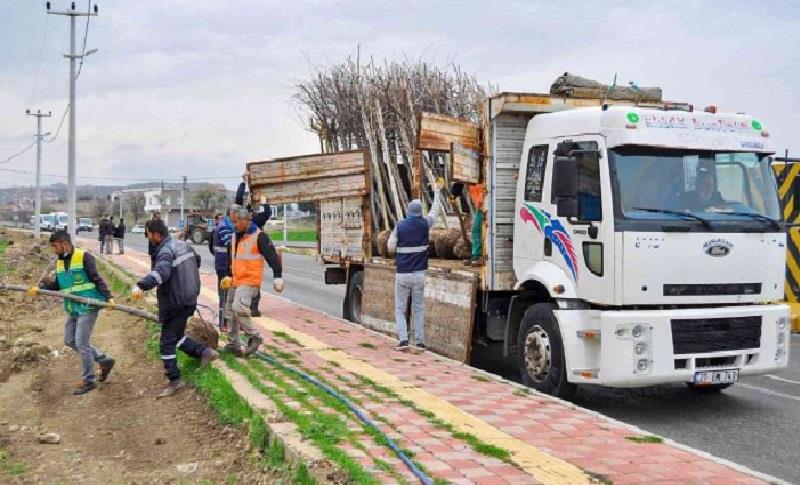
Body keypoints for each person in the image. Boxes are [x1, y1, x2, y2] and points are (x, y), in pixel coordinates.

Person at [131, 219, 217, 398]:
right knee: (176, 336)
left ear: (155, 234)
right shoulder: (182, 245)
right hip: (189, 297)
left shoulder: (165, 250)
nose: (148, 238)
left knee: (166, 342)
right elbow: (197, 260)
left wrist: (141, 286)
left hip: (176, 301)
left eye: (148, 235)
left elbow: (160, 273)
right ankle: (205, 352)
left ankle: (175, 380)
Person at [31, 231, 115, 395]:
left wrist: (109, 297)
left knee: (82, 343)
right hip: (73, 307)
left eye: (55, 246)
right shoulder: (60, 262)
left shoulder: (84, 257)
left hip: (88, 306)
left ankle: (89, 380)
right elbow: (58, 285)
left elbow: (97, 279)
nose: (54, 250)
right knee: (70, 340)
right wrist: (40, 289)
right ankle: (104, 360)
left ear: (64, 243)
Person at [387, 179, 443, 352]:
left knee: (400, 308)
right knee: (418, 308)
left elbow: (390, 247)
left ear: (408, 211)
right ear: (420, 212)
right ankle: (419, 342)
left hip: (403, 274)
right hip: (419, 275)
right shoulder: (425, 224)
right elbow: (435, 211)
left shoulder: (400, 225)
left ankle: (403, 340)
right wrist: (437, 192)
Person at [219, 206, 283, 357]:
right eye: (232, 221)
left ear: (245, 220)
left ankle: (255, 336)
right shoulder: (236, 235)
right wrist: (229, 275)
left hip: (250, 281)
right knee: (229, 312)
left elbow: (272, 256)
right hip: (236, 280)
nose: (233, 225)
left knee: (238, 308)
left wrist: (278, 276)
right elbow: (234, 258)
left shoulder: (259, 236)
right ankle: (233, 344)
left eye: (235, 222)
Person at [236, 172, 272, 316]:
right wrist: (244, 182)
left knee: (251, 284)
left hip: (250, 260)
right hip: (245, 260)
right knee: (249, 284)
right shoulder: (252, 220)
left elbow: (267, 212)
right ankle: (251, 307)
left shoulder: (254, 220)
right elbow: (238, 200)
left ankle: (252, 307)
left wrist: (264, 202)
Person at [208, 212, 232, 331]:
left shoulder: (222, 226)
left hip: (224, 264)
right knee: (225, 296)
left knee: (227, 295)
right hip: (224, 266)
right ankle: (223, 322)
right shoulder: (224, 228)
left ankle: (226, 322)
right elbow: (231, 243)